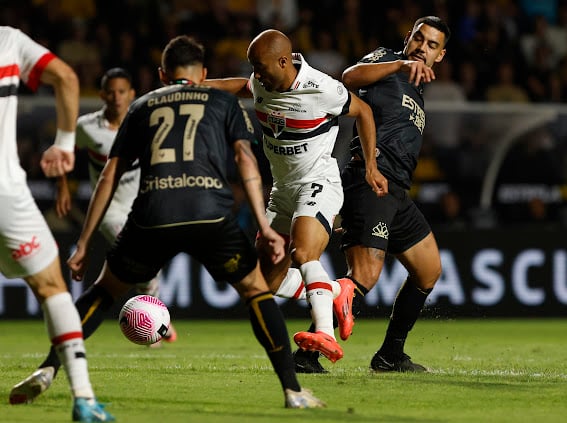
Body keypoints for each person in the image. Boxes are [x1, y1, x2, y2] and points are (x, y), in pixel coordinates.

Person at [12, 34, 325, 409]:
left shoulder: (142, 105)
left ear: (163, 74)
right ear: (204, 73)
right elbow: (245, 161)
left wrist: (84, 241)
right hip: (210, 211)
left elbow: (109, 176)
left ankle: (48, 368)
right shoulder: (224, 101)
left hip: (153, 213)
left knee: (103, 291)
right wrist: (264, 222)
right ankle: (292, 391)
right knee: (256, 292)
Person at [205, 29, 387, 364]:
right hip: (283, 190)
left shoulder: (322, 87)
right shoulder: (263, 81)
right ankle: (335, 291)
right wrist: (196, 89)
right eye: (254, 68)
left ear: (284, 61)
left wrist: (371, 166)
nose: (256, 75)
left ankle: (325, 335)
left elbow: (363, 111)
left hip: (318, 182)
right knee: (265, 281)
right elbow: (239, 86)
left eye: (261, 67)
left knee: (303, 252)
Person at [292, 16, 450, 373]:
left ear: (440, 56)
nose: (422, 48)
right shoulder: (387, 61)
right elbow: (349, 78)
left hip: (396, 191)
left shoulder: (417, 87)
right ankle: (307, 355)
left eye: (431, 45)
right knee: (363, 276)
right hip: (371, 181)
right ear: (408, 36)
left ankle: (390, 355)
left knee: (428, 271)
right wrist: (399, 62)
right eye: (419, 39)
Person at [2, 26, 115, 421]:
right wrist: (65, 143)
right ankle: (83, 398)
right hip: (4, 194)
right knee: (52, 287)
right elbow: (65, 77)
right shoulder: (8, 41)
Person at [55, 67, 177, 347]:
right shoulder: (87, 127)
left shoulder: (144, 123)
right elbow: (62, 149)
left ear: (131, 94)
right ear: (102, 94)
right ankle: (154, 322)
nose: (116, 97)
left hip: (142, 204)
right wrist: (62, 185)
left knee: (148, 266)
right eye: (110, 91)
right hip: (109, 210)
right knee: (141, 258)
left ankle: (155, 314)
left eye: (122, 91)